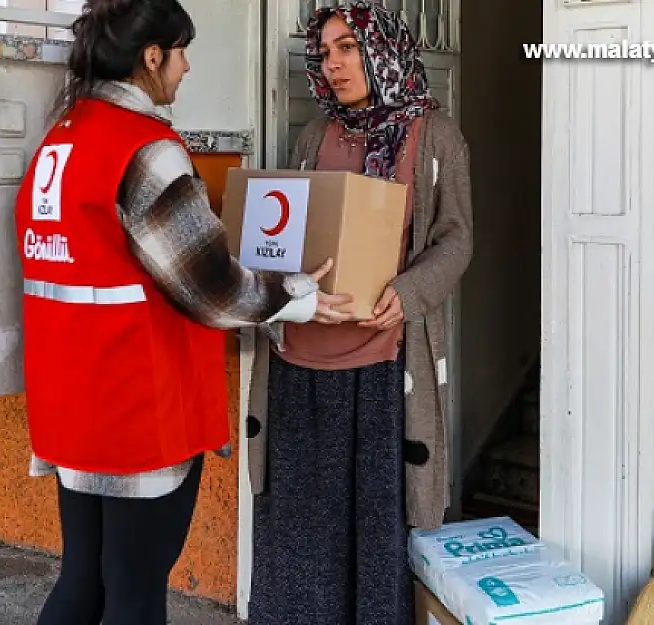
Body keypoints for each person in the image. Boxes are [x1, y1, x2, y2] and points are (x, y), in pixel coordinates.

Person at [12, 0, 353, 623]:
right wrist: (298, 298)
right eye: (180, 52)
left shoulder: (59, 141)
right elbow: (211, 288)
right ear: (150, 57)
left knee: (83, 580)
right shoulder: (145, 150)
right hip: (138, 411)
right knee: (136, 593)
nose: (187, 67)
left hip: (71, 406)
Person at [246, 3, 474, 624]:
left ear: (381, 48)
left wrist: (409, 291)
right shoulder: (314, 138)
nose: (335, 63)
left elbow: (456, 241)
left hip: (380, 374)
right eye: (325, 53)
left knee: (373, 546)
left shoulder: (436, 137)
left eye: (348, 47)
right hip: (299, 368)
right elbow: (285, 237)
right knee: (297, 538)